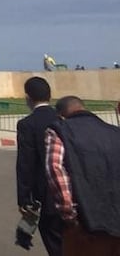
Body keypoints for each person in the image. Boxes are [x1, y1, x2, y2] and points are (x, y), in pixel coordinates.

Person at [44, 95, 120, 254]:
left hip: (85, 225)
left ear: (61, 115)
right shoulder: (114, 132)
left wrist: (69, 214)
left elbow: (55, 169)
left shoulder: (59, 131)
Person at [16, 76, 61, 255]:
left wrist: (24, 198)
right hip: (74, 191)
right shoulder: (63, 119)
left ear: (28, 97)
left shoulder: (27, 124)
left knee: (54, 241)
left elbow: (25, 163)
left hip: (46, 193)